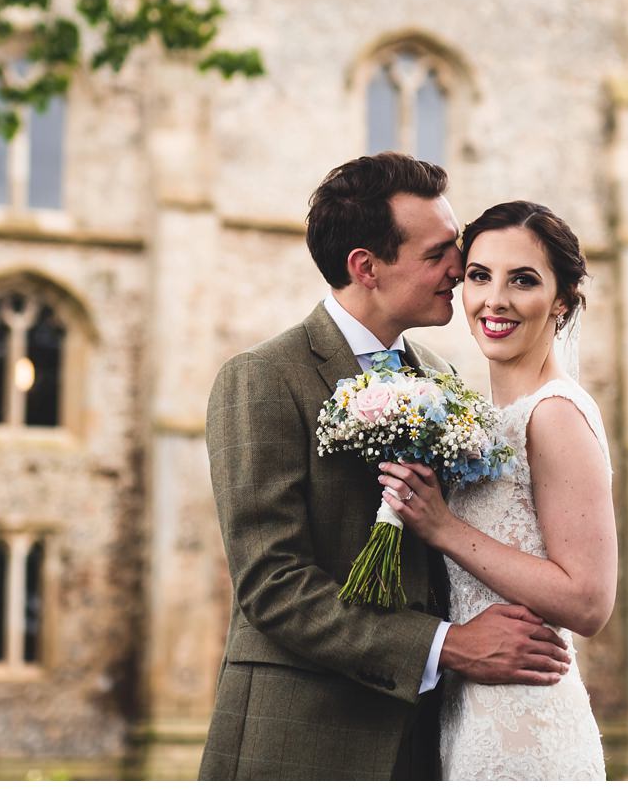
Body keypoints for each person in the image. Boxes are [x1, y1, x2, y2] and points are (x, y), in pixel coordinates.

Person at [199, 155, 574, 780]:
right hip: (303, 738)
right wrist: (448, 646)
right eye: (436, 255)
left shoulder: (440, 375)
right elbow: (271, 584)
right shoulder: (263, 378)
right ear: (365, 267)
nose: (459, 269)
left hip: (431, 741)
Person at [378, 200, 616, 780]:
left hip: (527, 731)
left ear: (561, 301)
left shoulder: (554, 414)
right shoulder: (481, 419)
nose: (495, 300)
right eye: (480, 276)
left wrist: (443, 528)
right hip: (468, 716)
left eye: (524, 281)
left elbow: (589, 600)